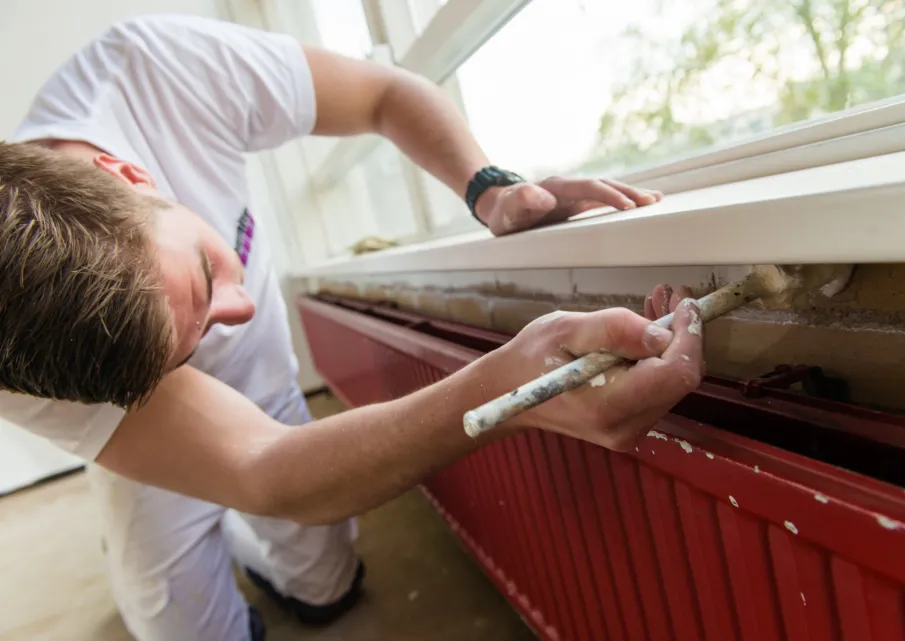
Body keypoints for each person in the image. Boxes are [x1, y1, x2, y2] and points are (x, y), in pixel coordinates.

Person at [0, 14, 703, 641]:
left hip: (263, 402)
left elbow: (383, 93)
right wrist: (506, 391)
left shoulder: (154, 71)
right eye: (178, 353)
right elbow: (260, 469)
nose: (237, 318)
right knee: (177, 617)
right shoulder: (26, 362)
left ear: (128, 173)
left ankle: (256, 551)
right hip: (147, 443)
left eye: (208, 280)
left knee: (327, 590)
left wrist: (487, 187)